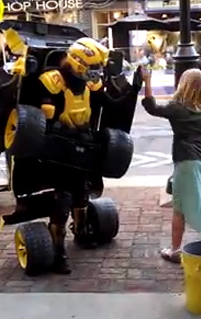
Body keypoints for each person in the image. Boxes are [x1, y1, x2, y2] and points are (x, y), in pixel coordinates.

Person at [32, 37, 139, 273]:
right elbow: (44, 122)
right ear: (78, 63)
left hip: (83, 147)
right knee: (62, 200)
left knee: (81, 194)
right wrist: (70, 132)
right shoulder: (52, 82)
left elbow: (111, 105)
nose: (96, 72)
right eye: (92, 67)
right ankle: (58, 252)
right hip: (58, 150)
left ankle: (81, 233)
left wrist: (135, 89)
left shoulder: (91, 85)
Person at [141, 68, 201, 263]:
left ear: (183, 85)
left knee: (180, 208)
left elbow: (152, 107)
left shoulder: (178, 108)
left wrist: (147, 81)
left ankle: (176, 250)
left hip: (187, 161)